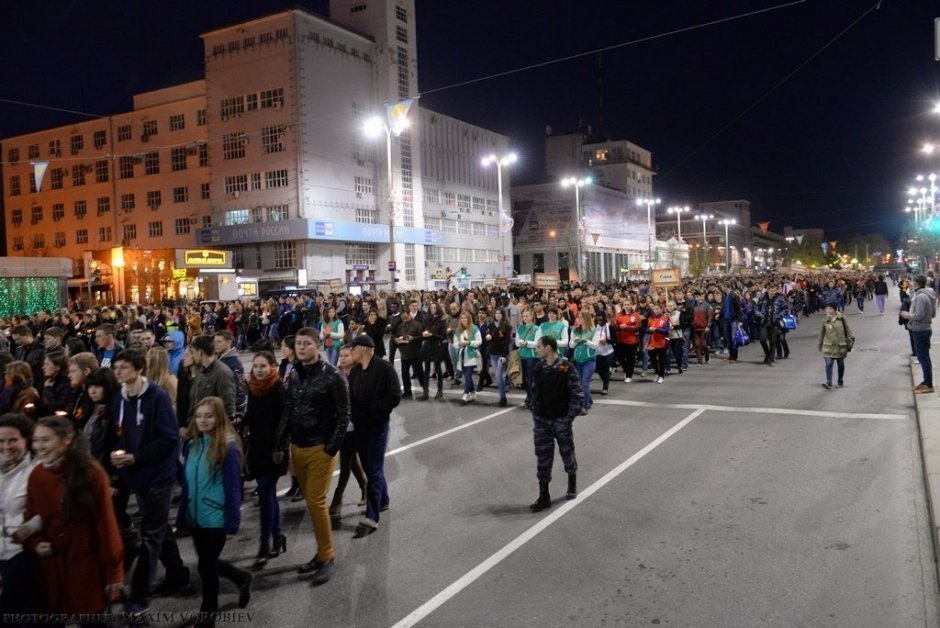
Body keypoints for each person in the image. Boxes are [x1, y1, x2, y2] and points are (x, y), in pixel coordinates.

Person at [14, 415, 124, 617]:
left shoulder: (92, 475)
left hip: (86, 565)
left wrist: (113, 573)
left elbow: (107, 527)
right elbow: (32, 516)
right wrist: (36, 543)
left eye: (46, 439)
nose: (39, 446)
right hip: (51, 569)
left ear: (66, 440)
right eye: (36, 440)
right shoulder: (37, 474)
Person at [110, 348, 190, 615]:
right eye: (116, 367)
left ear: (139, 369)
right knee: (158, 527)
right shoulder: (120, 398)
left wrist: (136, 457)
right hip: (137, 476)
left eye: (123, 367)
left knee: (151, 534)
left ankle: (139, 599)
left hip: (159, 476)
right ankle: (178, 575)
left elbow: (169, 438)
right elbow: (121, 432)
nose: (118, 371)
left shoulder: (156, 396)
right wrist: (119, 452)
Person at [275, 327, 349, 585]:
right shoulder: (294, 376)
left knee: (317, 503)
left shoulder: (333, 377)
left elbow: (343, 415)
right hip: (298, 447)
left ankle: (326, 555)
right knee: (310, 502)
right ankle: (320, 552)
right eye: (299, 344)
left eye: (307, 343)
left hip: (320, 448)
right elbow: (287, 410)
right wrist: (281, 442)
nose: (301, 347)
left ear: (318, 346)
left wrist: (331, 448)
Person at [177, 396, 252, 624]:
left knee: (206, 566)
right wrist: (183, 515)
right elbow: (187, 483)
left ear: (219, 417)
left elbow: (233, 488)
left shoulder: (227, 447)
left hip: (216, 517)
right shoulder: (193, 445)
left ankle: (208, 613)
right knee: (206, 562)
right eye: (199, 416)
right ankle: (241, 578)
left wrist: (232, 522)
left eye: (209, 415)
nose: (203, 420)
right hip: (196, 515)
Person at [347, 335, 401, 537]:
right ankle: (383, 500)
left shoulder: (384, 368)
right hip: (360, 426)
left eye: (353, 348)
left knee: (374, 467)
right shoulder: (355, 372)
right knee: (369, 466)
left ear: (363, 349)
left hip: (377, 425)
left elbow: (394, 395)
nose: (350, 352)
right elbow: (351, 398)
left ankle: (372, 515)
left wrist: (376, 410)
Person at [244, 351, 290, 568]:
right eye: (256, 366)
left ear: (272, 366)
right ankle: (278, 535)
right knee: (268, 495)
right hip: (257, 449)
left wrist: (280, 446)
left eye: (263, 366)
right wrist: (242, 421)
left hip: (274, 450)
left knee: (264, 494)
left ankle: (264, 543)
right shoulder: (253, 388)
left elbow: (285, 419)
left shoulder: (279, 388)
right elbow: (252, 416)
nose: (259, 370)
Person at [528, 336, 582, 513]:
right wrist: (535, 411)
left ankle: (571, 479)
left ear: (549, 348)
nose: (536, 349)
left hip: (560, 420)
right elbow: (534, 392)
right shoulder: (539, 367)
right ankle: (544, 495)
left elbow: (576, 393)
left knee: (567, 453)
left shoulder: (566, 367)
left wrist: (568, 417)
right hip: (542, 420)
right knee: (543, 458)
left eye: (539, 346)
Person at [0, 412, 39, 622]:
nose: (6, 446)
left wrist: (30, 528)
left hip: (20, 557)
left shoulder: (36, 472)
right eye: (1, 441)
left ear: (26, 440)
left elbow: (47, 513)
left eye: (13, 440)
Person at [329, 345, 368, 520]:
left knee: (346, 460)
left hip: (355, 424)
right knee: (350, 458)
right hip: (340, 424)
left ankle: (338, 498)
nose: (343, 358)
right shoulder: (336, 374)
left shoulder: (359, 374)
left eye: (347, 355)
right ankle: (365, 487)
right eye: (341, 355)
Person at [901, 274, 936, 394]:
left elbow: (919, 315)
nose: (911, 282)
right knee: (923, 357)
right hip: (924, 328)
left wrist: (907, 315)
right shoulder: (928, 295)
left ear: (916, 283)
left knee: (923, 358)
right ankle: (926, 382)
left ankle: (928, 384)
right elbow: (932, 314)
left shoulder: (921, 297)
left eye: (912, 281)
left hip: (920, 330)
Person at [569, 309, 599, 415]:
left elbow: (595, 345)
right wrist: (575, 341)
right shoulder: (575, 330)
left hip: (589, 359)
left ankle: (584, 406)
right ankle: (589, 400)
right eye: (579, 317)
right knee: (581, 384)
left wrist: (585, 341)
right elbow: (571, 345)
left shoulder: (594, 330)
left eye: (581, 317)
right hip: (578, 360)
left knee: (585, 382)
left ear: (586, 318)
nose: (579, 319)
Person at [817, 304, 853, 389]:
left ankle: (840, 379)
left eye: (830, 309)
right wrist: (820, 345)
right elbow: (821, 334)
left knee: (840, 364)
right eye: (827, 309)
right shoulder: (825, 320)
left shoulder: (842, 318)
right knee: (828, 363)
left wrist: (849, 343)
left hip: (840, 346)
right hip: (828, 346)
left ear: (834, 310)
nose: (828, 311)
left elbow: (848, 331)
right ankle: (828, 381)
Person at [395, 310, 427, 400]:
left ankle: (425, 389)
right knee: (405, 374)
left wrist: (413, 338)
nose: (404, 319)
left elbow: (422, 337)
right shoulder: (400, 327)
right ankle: (407, 391)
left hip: (415, 353)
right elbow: (397, 336)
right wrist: (397, 340)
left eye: (406, 317)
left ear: (410, 316)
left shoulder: (417, 325)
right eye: (403, 318)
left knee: (419, 373)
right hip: (404, 354)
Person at [453, 311, 483, 405]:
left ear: (469, 319)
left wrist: (469, 343)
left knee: (468, 375)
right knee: (466, 374)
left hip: (471, 354)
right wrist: (459, 344)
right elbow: (455, 343)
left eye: (465, 318)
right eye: (462, 318)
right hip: (462, 355)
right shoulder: (458, 330)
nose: (463, 320)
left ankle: (466, 394)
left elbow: (479, 341)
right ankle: (473, 392)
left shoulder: (474, 328)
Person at [421, 303, 449, 400]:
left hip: (436, 346)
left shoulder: (441, 321)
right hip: (427, 346)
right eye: (431, 308)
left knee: (438, 369)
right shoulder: (426, 320)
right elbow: (423, 331)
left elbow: (443, 336)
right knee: (426, 370)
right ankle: (425, 392)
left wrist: (432, 335)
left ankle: (440, 390)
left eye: (434, 308)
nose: (432, 309)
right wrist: (424, 334)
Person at [487, 308, 513, 407]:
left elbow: (507, 342)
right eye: (496, 313)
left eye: (499, 313)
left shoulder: (507, 327)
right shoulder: (491, 325)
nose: (497, 315)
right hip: (493, 353)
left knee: (498, 375)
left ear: (503, 315)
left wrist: (504, 355)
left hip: (501, 354)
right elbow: (488, 336)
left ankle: (503, 397)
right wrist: (488, 336)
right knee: (498, 376)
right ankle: (502, 396)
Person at [515, 309, 539, 408]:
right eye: (523, 316)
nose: (525, 318)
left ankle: (531, 398)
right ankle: (529, 395)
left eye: (527, 316)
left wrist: (527, 343)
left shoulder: (536, 328)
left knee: (530, 378)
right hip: (522, 355)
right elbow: (516, 342)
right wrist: (520, 343)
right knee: (524, 378)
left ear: (532, 317)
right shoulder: (520, 328)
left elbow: (538, 343)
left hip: (532, 356)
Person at [39, 349, 72, 415]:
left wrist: (48, 389)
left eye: (47, 364)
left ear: (57, 367)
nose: (43, 367)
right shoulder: (47, 379)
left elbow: (57, 408)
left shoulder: (66, 383)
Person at [645, 303, 670, 384]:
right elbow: (647, 330)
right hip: (652, 342)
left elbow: (665, 331)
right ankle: (657, 373)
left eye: (657, 308)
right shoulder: (650, 319)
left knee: (661, 360)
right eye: (654, 309)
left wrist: (655, 329)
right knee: (653, 360)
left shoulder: (665, 318)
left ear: (661, 309)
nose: (656, 310)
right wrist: (650, 330)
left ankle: (661, 376)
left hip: (661, 342)